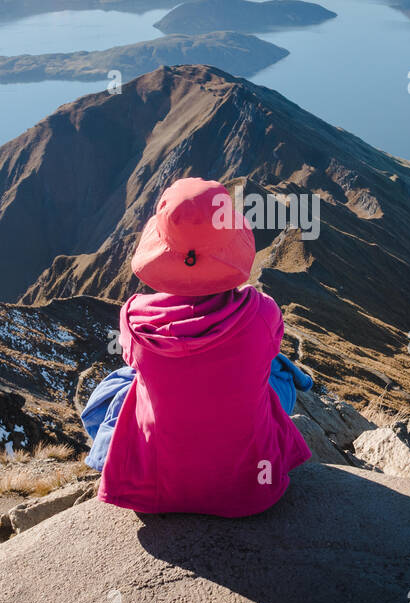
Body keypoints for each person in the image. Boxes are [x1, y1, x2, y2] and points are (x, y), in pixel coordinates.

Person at [80, 177, 313, 516]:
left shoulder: (133, 318)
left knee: (121, 381)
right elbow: (267, 349)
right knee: (275, 370)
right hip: (251, 491)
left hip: (157, 491)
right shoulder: (261, 312)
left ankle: (109, 456)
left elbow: (135, 363)